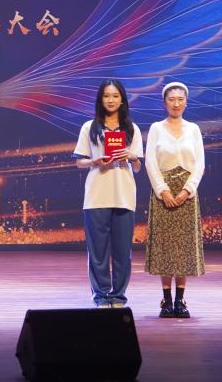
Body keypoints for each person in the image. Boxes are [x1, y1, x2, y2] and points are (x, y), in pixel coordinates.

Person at [73, 79, 143, 308]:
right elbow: (79, 162)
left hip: (124, 195)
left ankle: (118, 296)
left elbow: (138, 167)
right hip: (96, 196)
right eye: (106, 96)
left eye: (115, 96)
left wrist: (131, 156)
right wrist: (95, 161)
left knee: (122, 252)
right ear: (100, 99)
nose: (110, 100)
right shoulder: (89, 127)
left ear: (122, 99)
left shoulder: (132, 129)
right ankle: (101, 295)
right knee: (98, 252)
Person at [145, 81, 206, 318]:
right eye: (172, 99)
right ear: (164, 103)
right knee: (165, 246)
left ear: (186, 103)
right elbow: (150, 162)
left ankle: (180, 300)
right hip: (163, 193)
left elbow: (200, 164)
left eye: (180, 99)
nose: (176, 103)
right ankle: (166, 300)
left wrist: (186, 191)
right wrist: (163, 191)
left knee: (183, 247)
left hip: (186, 194)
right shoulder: (156, 128)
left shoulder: (193, 129)